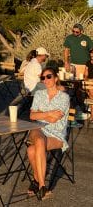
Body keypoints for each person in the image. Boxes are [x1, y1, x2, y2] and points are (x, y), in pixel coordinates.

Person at [27, 67, 70, 200]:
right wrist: (49, 113)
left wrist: (42, 114)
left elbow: (54, 119)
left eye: (49, 76)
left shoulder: (64, 97)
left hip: (56, 133)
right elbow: (32, 116)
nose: (45, 80)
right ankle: (42, 186)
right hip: (38, 128)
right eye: (43, 77)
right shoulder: (39, 94)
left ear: (56, 78)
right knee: (39, 140)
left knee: (31, 150)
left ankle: (36, 180)